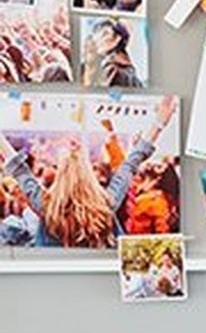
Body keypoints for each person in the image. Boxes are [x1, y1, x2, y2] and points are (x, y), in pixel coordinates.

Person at [0, 95, 176, 247]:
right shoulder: (106, 204)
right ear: (89, 175)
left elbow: (19, 171)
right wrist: (158, 124)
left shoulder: (47, 207)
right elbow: (130, 164)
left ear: (60, 176)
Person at [82, 18, 142, 89]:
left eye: (105, 34)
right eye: (97, 34)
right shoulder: (126, 68)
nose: (98, 39)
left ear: (117, 39)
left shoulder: (113, 70)